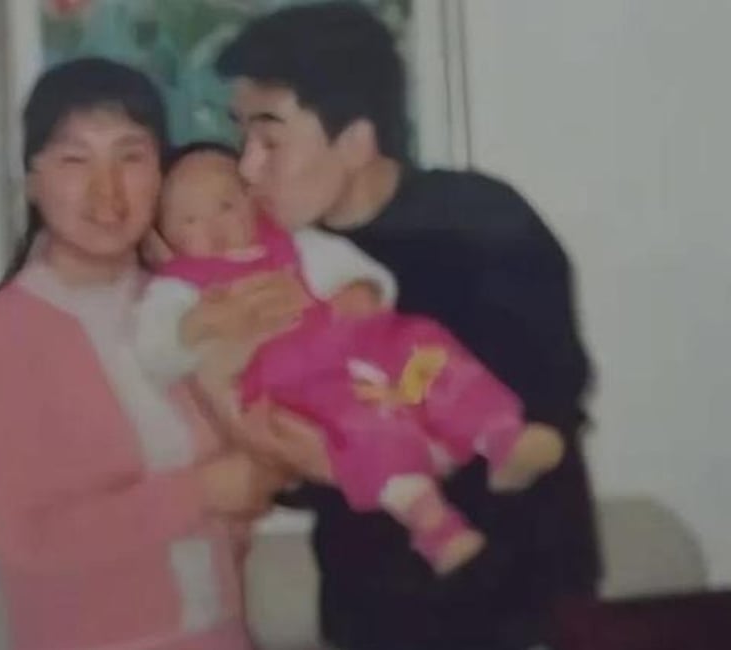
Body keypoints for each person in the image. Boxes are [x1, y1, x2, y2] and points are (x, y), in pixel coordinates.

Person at [212, 3, 601, 649]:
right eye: (241, 137)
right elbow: (284, 450)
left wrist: (345, 458)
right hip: (371, 615)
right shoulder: (283, 268)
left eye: (271, 140)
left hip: (518, 610)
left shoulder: (483, 228)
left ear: (356, 141)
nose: (247, 167)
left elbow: (548, 415)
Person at [0, 58, 293, 650]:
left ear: (160, 172)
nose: (107, 190)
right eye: (75, 160)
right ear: (31, 180)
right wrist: (205, 492)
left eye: (131, 157)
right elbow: (31, 539)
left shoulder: (187, 309)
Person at [135, 142, 567, 576]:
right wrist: (192, 328)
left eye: (225, 205)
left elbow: (358, 269)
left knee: (425, 346)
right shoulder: (178, 287)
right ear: (163, 238)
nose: (212, 226)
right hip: (300, 384)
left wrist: (364, 289)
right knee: (366, 424)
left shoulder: (297, 241)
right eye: (188, 220)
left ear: (253, 202)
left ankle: (498, 435)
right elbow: (153, 351)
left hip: (364, 345)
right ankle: (432, 523)